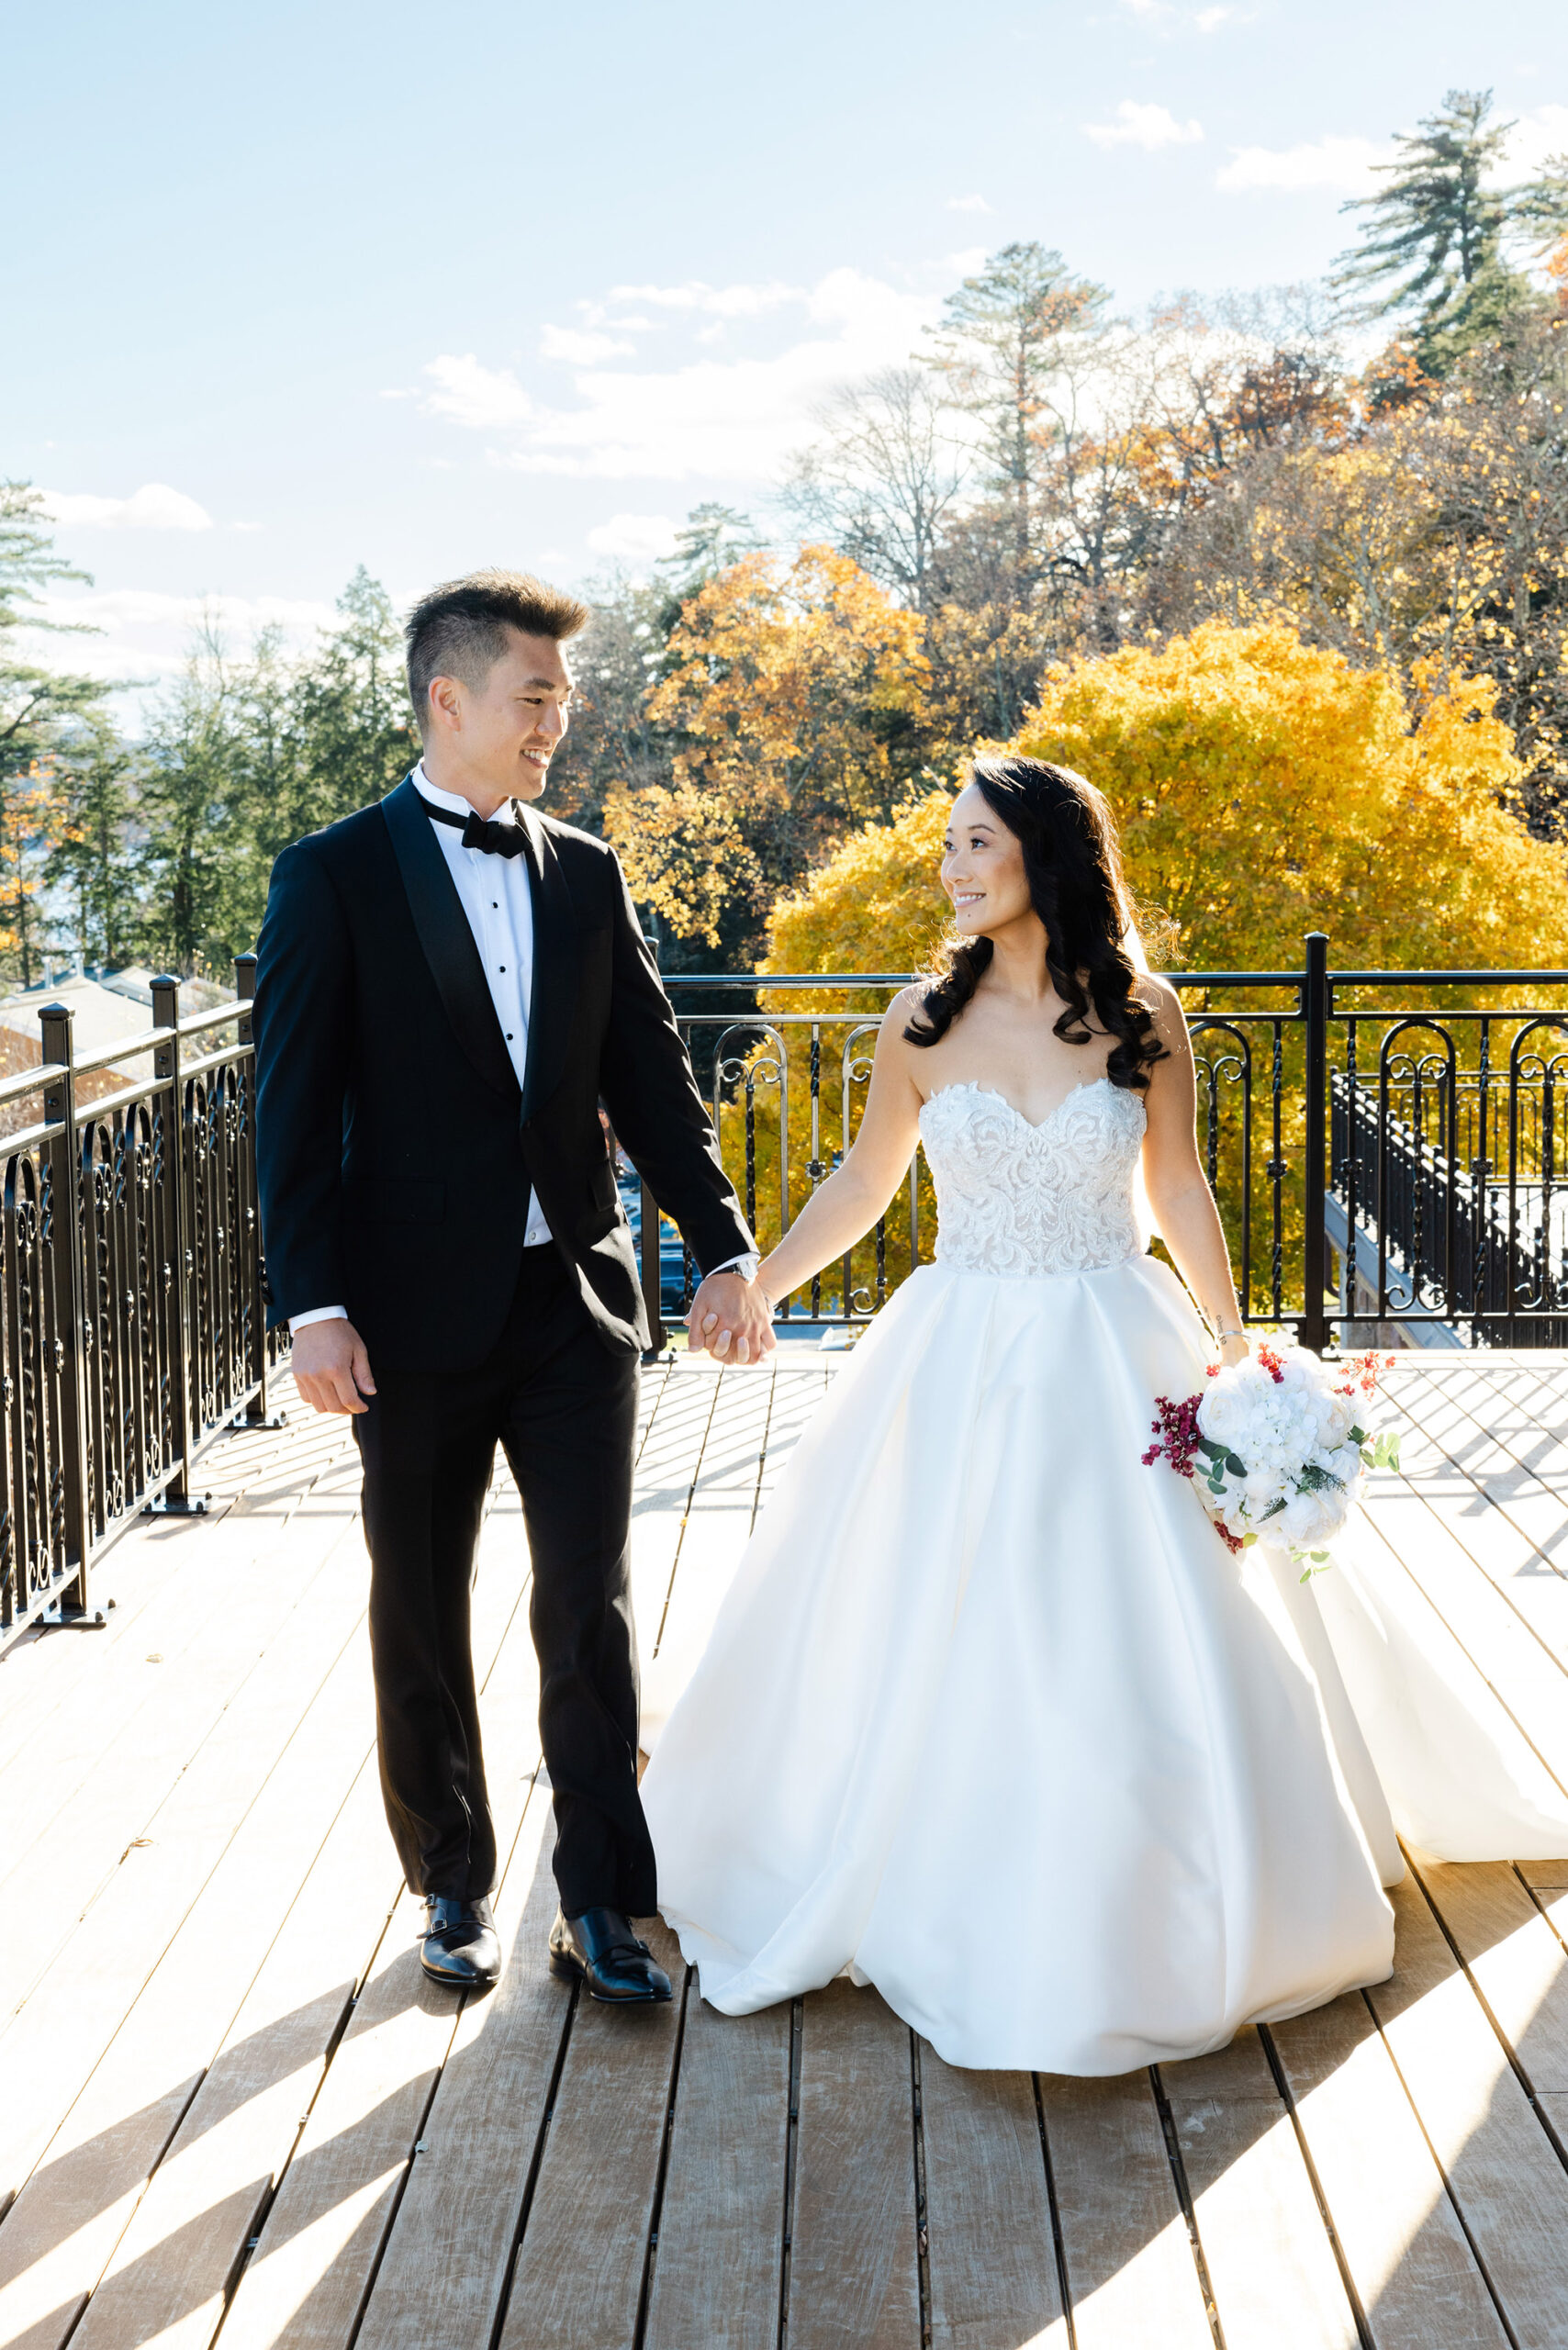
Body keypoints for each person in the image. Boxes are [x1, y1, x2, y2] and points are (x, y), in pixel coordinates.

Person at [644, 756, 1568, 2075]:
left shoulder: (1144, 1012)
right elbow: (865, 1181)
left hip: (1111, 1345)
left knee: (1138, 1616)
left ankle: (1164, 1882)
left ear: (1046, 857)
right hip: (957, 1346)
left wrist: (1242, 1357)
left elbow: (1180, 1189)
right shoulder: (918, 1020)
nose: (953, 868)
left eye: (978, 844)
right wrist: (755, 1284)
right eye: (949, 848)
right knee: (928, 1605)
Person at [252, 568, 774, 2005]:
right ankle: (451, 1883)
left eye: (565, 696)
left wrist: (721, 1244)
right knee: (416, 1601)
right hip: (403, 1321)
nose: (559, 719)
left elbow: (652, 1083)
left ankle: (603, 1897)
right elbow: (291, 1113)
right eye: (536, 695)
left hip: (573, 1307)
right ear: (450, 698)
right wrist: (312, 1303)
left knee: (587, 1604)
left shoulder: (589, 873)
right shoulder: (334, 874)